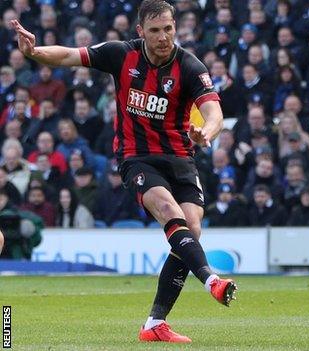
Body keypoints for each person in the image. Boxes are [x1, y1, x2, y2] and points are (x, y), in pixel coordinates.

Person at [10, 0, 236, 343]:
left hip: (181, 158)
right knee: (167, 210)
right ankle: (211, 280)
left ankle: (153, 324)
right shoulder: (121, 54)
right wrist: (34, 51)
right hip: (137, 157)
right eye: (156, 30)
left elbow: (213, 110)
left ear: (175, 28)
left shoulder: (190, 66)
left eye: (169, 29)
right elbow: (70, 55)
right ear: (140, 31)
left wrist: (209, 131)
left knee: (190, 229)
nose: (163, 38)